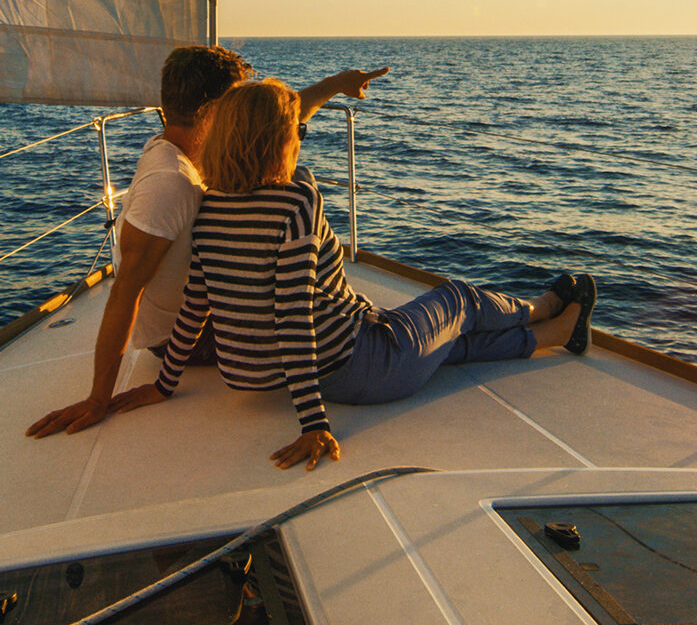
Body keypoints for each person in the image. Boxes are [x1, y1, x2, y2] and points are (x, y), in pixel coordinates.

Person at [106, 78, 597, 472]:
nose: (300, 137)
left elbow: (198, 300)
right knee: (459, 300)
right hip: (357, 366)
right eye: (294, 131)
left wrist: (164, 384)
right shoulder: (296, 203)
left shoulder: (210, 208)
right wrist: (313, 423)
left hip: (309, 369)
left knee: (444, 346)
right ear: (281, 140)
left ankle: (555, 334)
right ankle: (542, 308)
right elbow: (292, 315)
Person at [26, 47, 390, 440]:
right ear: (217, 110)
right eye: (237, 100)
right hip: (188, 340)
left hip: (206, 314)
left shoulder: (192, 149)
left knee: (295, 189)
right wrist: (99, 398)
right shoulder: (170, 181)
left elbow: (276, 117)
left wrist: (336, 84)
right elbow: (126, 288)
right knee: (301, 188)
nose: (244, 110)